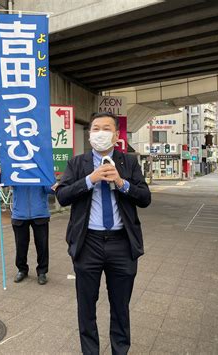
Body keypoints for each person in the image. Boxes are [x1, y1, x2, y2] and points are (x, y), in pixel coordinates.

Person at [56, 112, 151, 355]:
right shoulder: (77, 164)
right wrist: (89, 180)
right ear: (89, 135)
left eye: (105, 128)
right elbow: (63, 196)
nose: (100, 133)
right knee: (86, 307)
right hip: (88, 243)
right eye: (95, 128)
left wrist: (122, 183)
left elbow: (145, 198)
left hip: (122, 244)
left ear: (116, 134)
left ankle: (120, 350)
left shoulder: (128, 162)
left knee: (121, 307)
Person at [0, 165, 57, 285]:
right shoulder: (15, 165)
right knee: (20, 244)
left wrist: (52, 182)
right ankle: (22, 269)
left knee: (42, 245)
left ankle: (42, 271)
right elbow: (2, 183)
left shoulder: (40, 166)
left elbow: (49, 189)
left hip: (39, 213)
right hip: (19, 213)